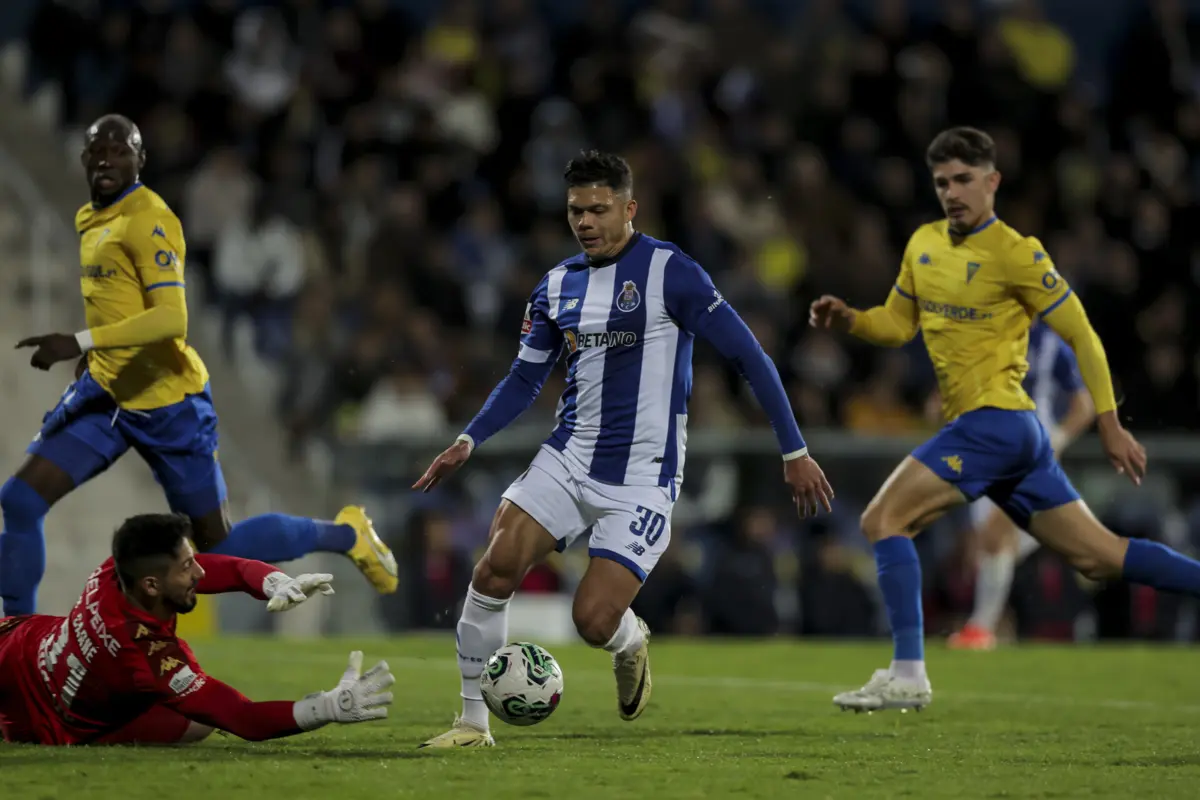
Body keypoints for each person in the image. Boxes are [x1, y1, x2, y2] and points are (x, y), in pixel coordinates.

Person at [414, 150, 833, 747]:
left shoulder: (672, 272)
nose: (585, 221)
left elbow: (750, 356)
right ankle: (471, 724)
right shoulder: (556, 286)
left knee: (592, 620)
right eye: (575, 211)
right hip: (568, 456)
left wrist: (794, 451)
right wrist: (468, 438)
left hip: (643, 475)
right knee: (495, 566)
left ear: (629, 208)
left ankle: (629, 639)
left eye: (598, 209)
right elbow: (525, 378)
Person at [810, 126, 1200, 712]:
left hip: (994, 423)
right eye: (942, 182)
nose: (952, 192)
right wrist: (852, 321)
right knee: (1101, 556)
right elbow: (897, 323)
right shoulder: (923, 244)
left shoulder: (1017, 253)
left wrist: (1110, 422)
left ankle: (908, 673)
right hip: (1013, 437)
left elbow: (1083, 336)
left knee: (884, 519)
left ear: (993, 182)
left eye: (964, 179)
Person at [2, 114, 397, 617]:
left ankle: (347, 534)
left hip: (169, 404)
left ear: (140, 161)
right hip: (110, 398)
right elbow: (121, 303)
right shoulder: (89, 218)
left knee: (213, 553)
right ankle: (15, 639)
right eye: (96, 151)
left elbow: (171, 319)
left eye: (119, 151)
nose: (106, 160)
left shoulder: (150, 219)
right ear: (83, 160)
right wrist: (96, 354)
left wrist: (77, 339)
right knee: (19, 500)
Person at [0, 513, 394, 745]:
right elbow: (242, 717)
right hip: (43, 716)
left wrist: (273, 581)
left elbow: (231, 568)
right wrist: (326, 707)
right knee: (201, 723)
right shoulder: (145, 660)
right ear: (152, 585)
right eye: (187, 567)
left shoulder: (120, 569)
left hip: (19, 642)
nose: (200, 572)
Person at [949, 321, 1096, 649]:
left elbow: (1084, 405)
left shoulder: (1049, 344)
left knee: (994, 535)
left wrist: (1057, 438)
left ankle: (980, 629)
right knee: (992, 549)